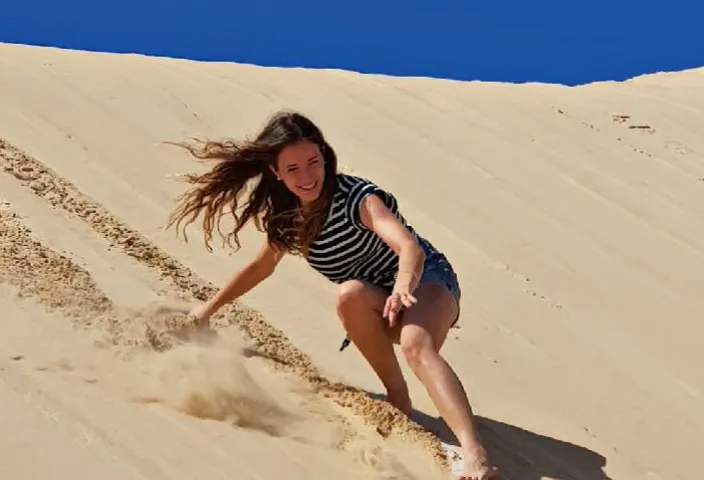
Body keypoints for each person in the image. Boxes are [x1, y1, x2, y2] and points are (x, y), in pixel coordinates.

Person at [166, 110, 497, 479]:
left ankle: (474, 453)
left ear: (324, 155)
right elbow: (261, 268)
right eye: (292, 169)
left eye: (313, 162)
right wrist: (206, 310)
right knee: (349, 295)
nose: (307, 177)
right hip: (375, 301)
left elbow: (409, 248)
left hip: (427, 282)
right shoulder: (288, 218)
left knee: (415, 345)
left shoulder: (357, 197)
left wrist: (404, 286)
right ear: (275, 172)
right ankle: (397, 396)